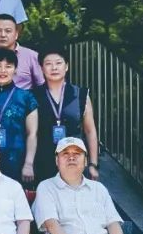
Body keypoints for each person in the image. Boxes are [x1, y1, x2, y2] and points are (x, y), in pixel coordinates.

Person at [34, 46, 101, 182]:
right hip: (43, 161)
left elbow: (90, 131)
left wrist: (93, 164)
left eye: (58, 63)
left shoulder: (80, 94)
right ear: (41, 68)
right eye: (48, 64)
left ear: (66, 67)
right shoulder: (33, 96)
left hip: (74, 159)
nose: (54, 68)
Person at [0, 48, 39, 184]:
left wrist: (28, 164)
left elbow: (32, 133)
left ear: (15, 70)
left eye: (8, 66)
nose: (3, 70)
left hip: (17, 160)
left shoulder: (27, 97)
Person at [0, 14, 46, 89]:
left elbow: (41, 86)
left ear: (16, 34)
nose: (3, 35)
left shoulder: (31, 56)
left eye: (8, 31)